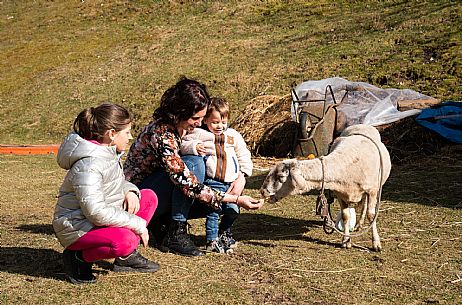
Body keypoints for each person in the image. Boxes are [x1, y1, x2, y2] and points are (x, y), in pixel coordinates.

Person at [123, 77, 264, 257]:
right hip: (139, 195)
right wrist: (235, 199)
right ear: (180, 112)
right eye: (195, 118)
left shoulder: (183, 128)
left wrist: (240, 176)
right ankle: (175, 232)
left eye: (202, 118)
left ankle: (162, 223)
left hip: (160, 187)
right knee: (195, 163)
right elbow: (186, 181)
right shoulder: (162, 134)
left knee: (207, 188)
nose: (198, 123)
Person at [53, 103, 160, 285]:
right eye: (126, 132)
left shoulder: (108, 152)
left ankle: (126, 258)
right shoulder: (89, 165)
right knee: (125, 240)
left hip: (99, 219)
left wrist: (129, 191)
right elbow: (95, 212)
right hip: (79, 227)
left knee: (148, 197)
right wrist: (138, 224)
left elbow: (112, 183)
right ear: (111, 134)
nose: (130, 137)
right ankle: (78, 258)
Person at [179, 97, 252, 254]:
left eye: (223, 122)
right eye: (215, 122)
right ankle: (211, 240)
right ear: (205, 120)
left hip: (231, 181)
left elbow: (243, 154)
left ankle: (224, 232)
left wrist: (243, 174)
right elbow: (183, 145)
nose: (220, 126)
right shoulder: (199, 134)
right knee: (214, 210)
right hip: (213, 181)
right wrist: (194, 146)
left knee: (233, 209)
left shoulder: (233, 136)